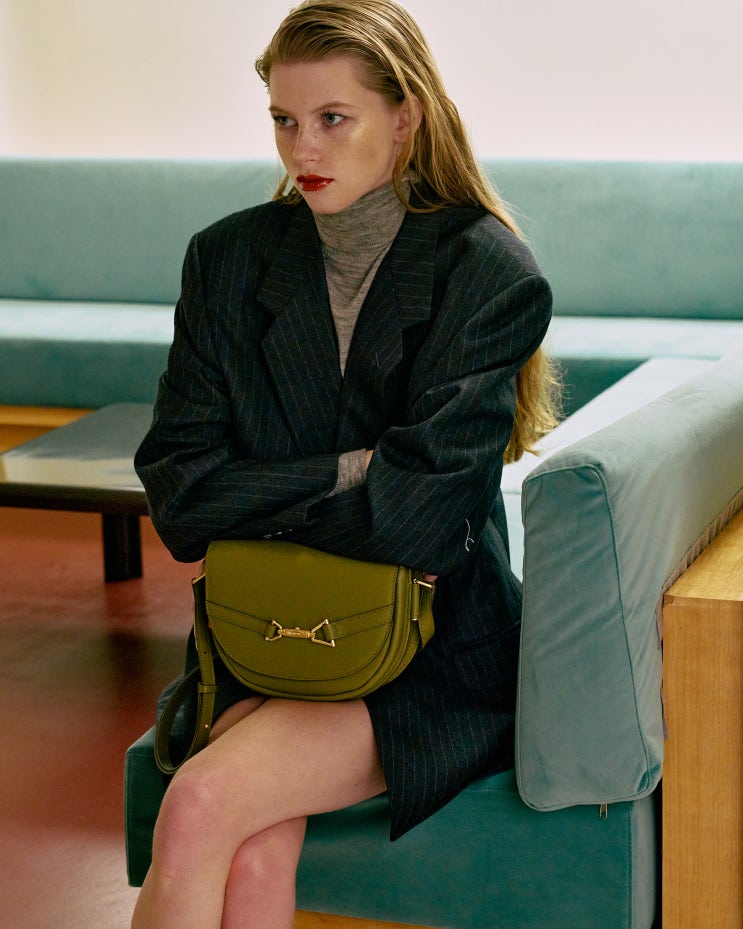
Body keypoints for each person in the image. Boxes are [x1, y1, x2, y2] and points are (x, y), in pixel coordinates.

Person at [131, 1, 560, 926]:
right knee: (247, 847)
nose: (303, 149)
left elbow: (418, 520)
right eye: (284, 120)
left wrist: (261, 500)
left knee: (202, 806)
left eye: (333, 118)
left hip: (432, 653)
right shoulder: (227, 259)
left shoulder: (487, 272)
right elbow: (179, 493)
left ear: (404, 117)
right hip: (267, 633)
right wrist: (359, 468)